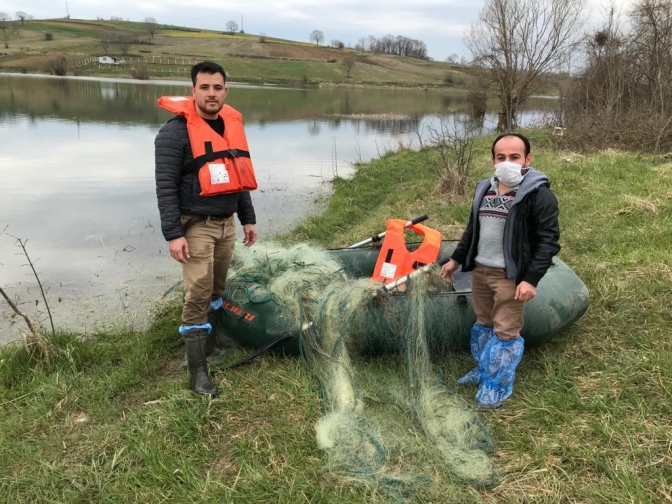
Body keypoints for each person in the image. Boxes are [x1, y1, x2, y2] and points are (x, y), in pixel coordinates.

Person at [155, 61, 258, 397]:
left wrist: (248, 219)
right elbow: (165, 186)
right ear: (193, 90)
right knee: (198, 295)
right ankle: (198, 375)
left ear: (225, 91)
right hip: (195, 226)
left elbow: (237, 180)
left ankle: (210, 346)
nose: (211, 94)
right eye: (205, 87)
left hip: (227, 224)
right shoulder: (174, 133)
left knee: (217, 288)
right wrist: (173, 234)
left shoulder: (230, 127)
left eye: (217, 88)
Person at [441, 133, 560, 409]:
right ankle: (484, 370)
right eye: (501, 157)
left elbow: (548, 241)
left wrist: (530, 279)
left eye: (515, 157)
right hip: (481, 270)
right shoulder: (485, 188)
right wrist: (456, 260)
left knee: (505, 329)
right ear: (493, 160)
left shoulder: (539, 195)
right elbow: (473, 230)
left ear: (527, 159)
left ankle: (497, 385)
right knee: (484, 322)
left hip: (509, 275)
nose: (507, 162)